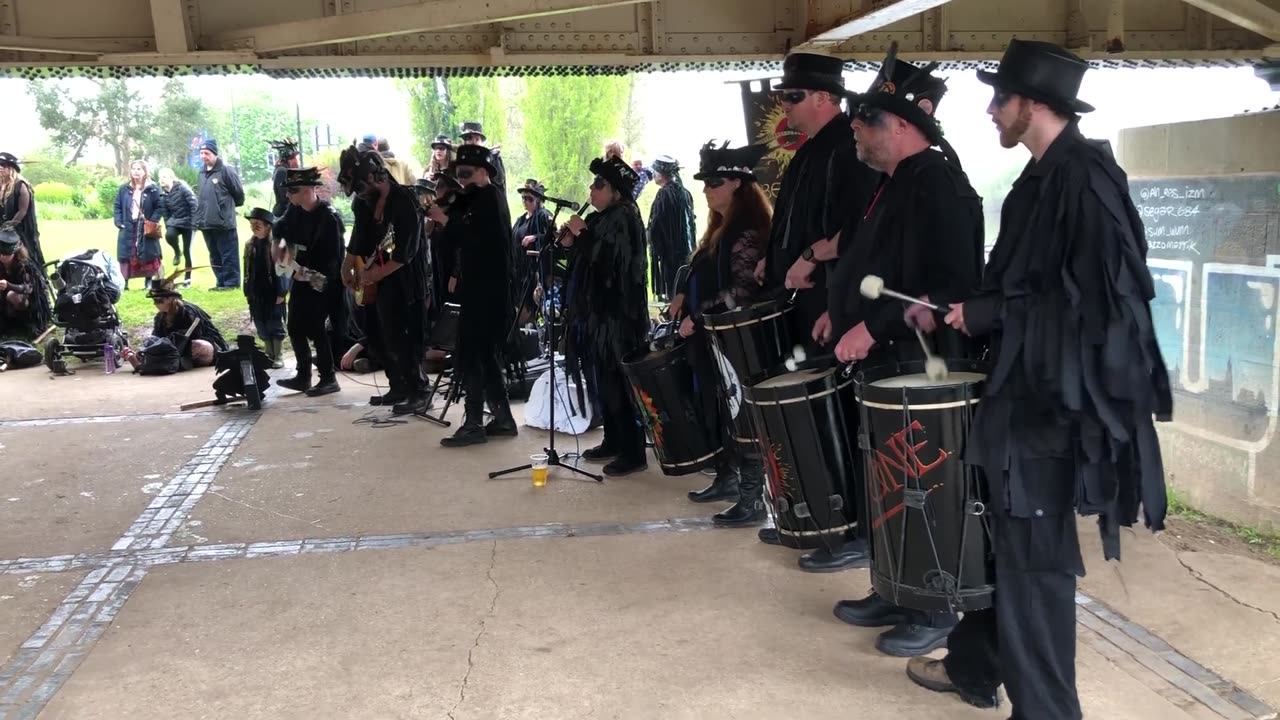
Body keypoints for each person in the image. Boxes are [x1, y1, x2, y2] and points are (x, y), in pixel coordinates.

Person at [903, 40, 1172, 718]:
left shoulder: (1085, 179)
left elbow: (1101, 307)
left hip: (1052, 406)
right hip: (1022, 394)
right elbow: (1032, 285)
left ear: (1035, 104)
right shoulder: (1039, 177)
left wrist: (991, 311)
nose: (992, 112)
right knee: (1013, 550)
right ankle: (975, 662)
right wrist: (962, 310)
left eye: (1001, 99)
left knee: (1034, 568)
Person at [825, 44, 986, 655]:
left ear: (897, 125)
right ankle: (895, 587)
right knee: (890, 487)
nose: (857, 136)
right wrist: (840, 318)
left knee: (927, 487)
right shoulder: (894, 183)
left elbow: (948, 284)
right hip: (890, 362)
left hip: (925, 365)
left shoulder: (937, 183)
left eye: (864, 125)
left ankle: (936, 607)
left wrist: (873, 327)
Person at [754, 52, 881, 568]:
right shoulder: (813, 150)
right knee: (814, 413)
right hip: (808, 298)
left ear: (825, 98)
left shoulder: (846, 150)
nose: (784, 105)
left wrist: (810, 264)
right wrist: (776, 256)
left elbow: (856, 229)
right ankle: (823, 515)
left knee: (840, 414)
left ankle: (854, 528)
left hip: (834, 300)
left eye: (793, 96)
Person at [673, 141, 773, 525]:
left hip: (736, 342)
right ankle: (726, 476)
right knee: (721, 410)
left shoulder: (747, 231)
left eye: (714, 182)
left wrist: (697, 317)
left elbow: (743, 290)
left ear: (737, 184)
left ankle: (751, 499)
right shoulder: (722, 228)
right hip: (715, 340)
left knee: (740, 413)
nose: (706, 189)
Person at [561, 156, 650, 475]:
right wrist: (571, 243)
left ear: (617, 191)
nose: (591, 190)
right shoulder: (602, 218)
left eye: (599, 185)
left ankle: (633, 450)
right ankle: (613, 439)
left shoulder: (625, 217)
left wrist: (583, 237)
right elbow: (588, 262)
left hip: (619, 317)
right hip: (598, 316)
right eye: (592, 184)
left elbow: (612, 266)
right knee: (604, 381)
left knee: (620, 382)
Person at [339, 148, 433, 415]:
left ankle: (419, 390)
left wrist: (373, 274)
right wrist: (348, 265)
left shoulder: (405, 201)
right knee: (379, 334)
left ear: (375, 176)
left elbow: (406, 253)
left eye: (361, 186)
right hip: (376, 279)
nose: (358, 193)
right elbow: (358, 237)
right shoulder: (363, 203)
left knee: (405, 335)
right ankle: (398, 386)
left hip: (405, 279)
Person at [437, 144, 518, 445]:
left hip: (489, 294)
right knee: (483, 357)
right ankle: (503, 418)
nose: (462, 180)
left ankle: (473, 423)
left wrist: (447, 220)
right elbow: (453, 241)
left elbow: (476, 240)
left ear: (485, 173)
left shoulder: (490, 199)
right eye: (459, 175)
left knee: (473, 356)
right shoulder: (473, 199)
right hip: (478, 290)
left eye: (467, 174)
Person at [275, 167, 346, 398]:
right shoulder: (293, 212)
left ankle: (328, 378)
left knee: (316, 328)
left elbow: (334, 259)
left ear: (307, 190)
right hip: (300, 278)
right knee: (294, 325)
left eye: (292, 191)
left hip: (324, 282)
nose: (288, 195)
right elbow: (280, 230)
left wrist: (314, 276)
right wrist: (282, 252)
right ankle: (303, 375)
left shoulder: (329, 218)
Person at [135, 272, 228, 368]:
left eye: (159, 301)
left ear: (170, 299)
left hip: (193, 347)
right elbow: (156, 336)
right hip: (174, 349)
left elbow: (189, 337)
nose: (155, 304)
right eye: (154, 301)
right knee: (149, 341)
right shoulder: (160, 317)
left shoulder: (187, 312)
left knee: (199, 346)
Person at [195, 139, 246, 291]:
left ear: (214, 153)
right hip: (206, 222)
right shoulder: (202, 172)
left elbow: (239, 195)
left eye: (207, 153)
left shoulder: (226, 170)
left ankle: (231, 282)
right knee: (214, 254)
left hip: (224, 222)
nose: (204, 156)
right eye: (202, 153)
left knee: (228, 254)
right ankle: (221, 281)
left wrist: (225, 209)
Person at [243, 207, 290, 369]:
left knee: (274, 322)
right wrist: (247, 289)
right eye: (252, 223)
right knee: (260, 322)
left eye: (258, 224)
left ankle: (278, 355)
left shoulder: (278, 245)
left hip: (273, 291)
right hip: (256, 292)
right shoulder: (250, 245)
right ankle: (268, 353)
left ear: (268, 226)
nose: (253, 226)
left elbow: (284, 270)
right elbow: (246, 269)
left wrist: (282, 291)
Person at [648, 155, 696, 302]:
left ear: (660, 174)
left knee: (674, 295)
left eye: (654, 171)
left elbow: (656, 227)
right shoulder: (685, 193)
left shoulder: (664, 194)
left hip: (670, 257)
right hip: (686, 255)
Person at [113, 160, 165, 291]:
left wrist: (152, 221)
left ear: (145, 172)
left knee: (148, 252)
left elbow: (160, 207)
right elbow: (117, 206)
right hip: (128, 225)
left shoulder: (153, 188)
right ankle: (125, 282)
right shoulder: (124, 189)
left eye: (139, 169)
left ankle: (148, 281)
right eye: (133, 169)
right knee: (127, 253)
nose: (136, 171)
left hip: (145, 226)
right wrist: (119, 221)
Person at [514, 179, 553, 324]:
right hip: (519, 269)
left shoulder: (543, 215)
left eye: (529, 198)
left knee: (528, 308)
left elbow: (552, 238)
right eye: (523, 198)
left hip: (534, 269)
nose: (525, 201)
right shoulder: (520, 220)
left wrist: (535, 237)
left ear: (538, 200)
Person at [0, 225, 51, 338]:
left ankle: (26, 324)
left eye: (6, 254)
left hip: (29, 301)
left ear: (15, 253)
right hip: (6, 302)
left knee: (12, 295)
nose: (3, 257)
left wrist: (8, 285)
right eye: (1, 254)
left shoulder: (25, 266)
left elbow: (28, 289)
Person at [0, 152, 44, 269]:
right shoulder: (1, 186)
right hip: (3, 228)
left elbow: (22, 211)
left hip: (20, 230)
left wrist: (9, 226)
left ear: (11, 168)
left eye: (3, 165)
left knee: (24, 258)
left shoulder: (21, 185)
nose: (0, 167)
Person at [158, 168, 198, 287]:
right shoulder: (162, 194)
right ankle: (176, 251)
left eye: (164, 177)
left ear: (171, 177)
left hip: (189, 223)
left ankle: (187, 279)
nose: (161, 180)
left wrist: (194, 223)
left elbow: (194, 204)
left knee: (187, 251)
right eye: (160, 178)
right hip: (175, 222)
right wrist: (168, 224)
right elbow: (165, 213)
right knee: (169, 235)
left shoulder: (182, 188)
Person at [459, 122, 506, 192]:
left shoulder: (492, 158)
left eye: (477, 139)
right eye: (469, 138)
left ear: (481, 142)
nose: (473, 142)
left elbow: (499, 182)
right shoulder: (460, 161)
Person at [270, 139, 301, 217]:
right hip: (283, 214)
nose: (297, 161)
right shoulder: (282, 172)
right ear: (289, 159)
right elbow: (286, 198)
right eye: (294, 158)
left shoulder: (284, 170)